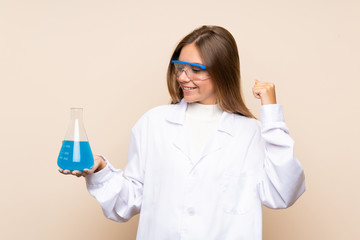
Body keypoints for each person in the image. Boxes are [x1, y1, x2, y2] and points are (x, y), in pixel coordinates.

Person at [59, 25, 305, 240]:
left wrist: (271, 114)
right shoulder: (153, 123)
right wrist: (101, 169)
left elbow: (283, 193)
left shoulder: (251, 133)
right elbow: (129, 201)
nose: (183, 78)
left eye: (195, 69)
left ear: (222, 71)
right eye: (180, 67)